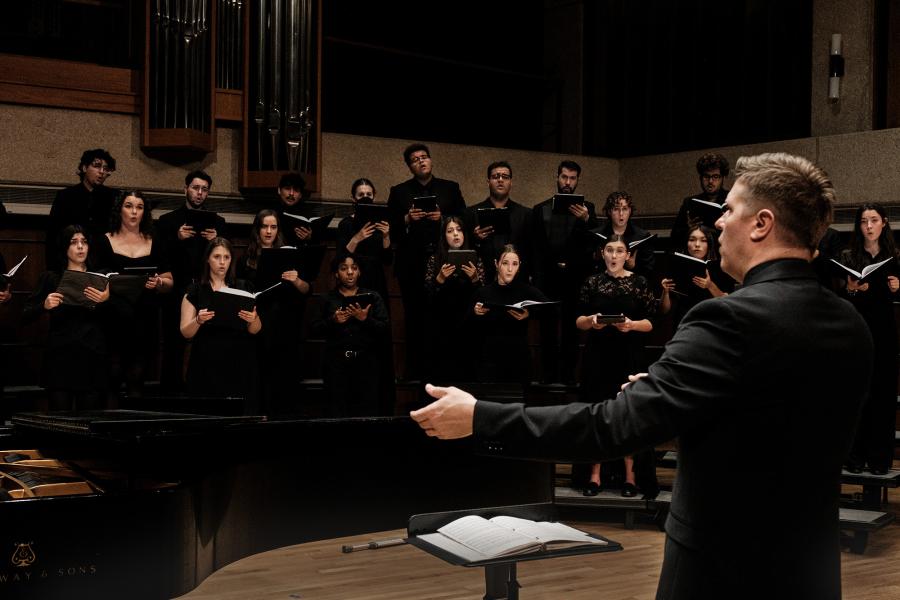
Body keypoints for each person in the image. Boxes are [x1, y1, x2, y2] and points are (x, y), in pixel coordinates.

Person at [410, 152, 873, 600]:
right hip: (809, 569)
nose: (717, 222)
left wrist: (479, 416)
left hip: (723, 570)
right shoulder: (849, 324)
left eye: (729, 209)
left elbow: (608, 427)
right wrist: (670, 394)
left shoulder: (725, 319)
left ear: (761, 224)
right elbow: (770, 420)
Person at [576, 234, 658, 498]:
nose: (613, 255)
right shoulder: (592, 281)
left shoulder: (639, 282)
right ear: (603, 253)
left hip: (629, 355)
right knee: (597, 413)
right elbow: (578, 321)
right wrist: (591, 321)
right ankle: (594, 476)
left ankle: (631, 478)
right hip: (598, 357)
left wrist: (631, 325)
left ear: (628, 255)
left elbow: (650, 323)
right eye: (609, 250)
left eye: (619, 251)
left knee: (627, 415)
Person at [387, 143, 466, 380]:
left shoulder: (450, 188)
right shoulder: (399, 191)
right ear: (409, 166)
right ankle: (415, 371)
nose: (421, 161)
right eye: (414, 159)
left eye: (424, 157)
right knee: (414, 317)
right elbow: (391, 229)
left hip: (444, 260)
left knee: (444, 316)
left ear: (431, 161)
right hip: (411, 264)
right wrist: (407, 218)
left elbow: (464, 221)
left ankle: (445, 371)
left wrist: (443, 218)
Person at [93, 190, 173, 402]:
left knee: (137, 377)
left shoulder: (154, 240)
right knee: (112, 374)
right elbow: (94, 279)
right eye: (129, 206)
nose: (134, 211)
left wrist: (159, 283)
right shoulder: (103, 241)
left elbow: (169, 281)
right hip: (112, 318)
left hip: (143, 317)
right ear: (119, 209)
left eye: (139, 207)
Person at [23, 225, 111, 411]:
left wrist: (105, 300)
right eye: (74, 242)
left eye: (84, 242)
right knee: (60, 420)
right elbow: (26, 314)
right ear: (64, 247)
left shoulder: (102, 277)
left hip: (92, 355)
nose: (80, 247)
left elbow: (118, 318)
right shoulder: (51, 277)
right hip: (60, 357)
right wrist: (44, 305)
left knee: (89, 421)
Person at [839, 204, 899, 475]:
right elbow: (841, 301)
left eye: (874, 220)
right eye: (863, 221)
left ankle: (879, 459)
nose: (869, 226)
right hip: (858, 330)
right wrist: (851, 290)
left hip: (885, 333)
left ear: (884, 223)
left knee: (883, 396)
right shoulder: (850, 257)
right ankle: (855, 457)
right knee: (857, 394)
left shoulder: (894, 256)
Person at [155, 170, 227, 393]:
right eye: (195, 188)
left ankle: (203, 392)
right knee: (173, 345)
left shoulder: (217, 222)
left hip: (207, 290)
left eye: (204, 190)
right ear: (185, 188)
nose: (199, 193)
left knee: (207, 345)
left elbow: (225, 256)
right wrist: (177, 238)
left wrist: (215, 241)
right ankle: (170, 395)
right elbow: (159, 256)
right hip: (176, 290)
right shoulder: (167, 221)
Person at [236, 209, 312, 416]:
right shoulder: (246, 259)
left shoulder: (289, 254)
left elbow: (306, 290)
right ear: (257, 229)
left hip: (284, 323)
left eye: (273, 227)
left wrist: (296, 280)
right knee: (259, 372)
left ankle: (281, 415)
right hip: (258, 322)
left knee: (283, 373)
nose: (269, 231)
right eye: (264, 226)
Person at [531, 160, 597, 384]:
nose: (568, 182)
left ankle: (569, 377)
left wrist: (586, 220)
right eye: (564, 177)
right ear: (557, 177)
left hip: (575, 279)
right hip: (547, 279)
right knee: (547, 331)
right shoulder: (540, 209)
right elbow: (536, 249)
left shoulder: (589, 209)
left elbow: (593, 246)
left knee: (572, 329)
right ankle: (548, 377)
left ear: (577, 180)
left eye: (572, 178)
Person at [180, 238, 261, 411]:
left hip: (238, 358)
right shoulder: (195, 290)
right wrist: (198, 320)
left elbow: (255, 330)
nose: (222, 262)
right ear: (207, 259)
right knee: (207, 411)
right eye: (217, 257)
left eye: (227, 257)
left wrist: (253, 319)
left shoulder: (243, 287)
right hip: (206, 359)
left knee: (238, 412)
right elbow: (186, 332)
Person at [337, 179, 396, 414]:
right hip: (352, 282)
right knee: (353, 337)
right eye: (360, 194)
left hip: (377, 284)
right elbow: (341, 257)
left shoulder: (381, 223)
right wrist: (359, 237)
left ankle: (381, 401)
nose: (365, 197)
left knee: (378, 336)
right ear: (353, 198)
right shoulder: (346, 224)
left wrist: (386, 236)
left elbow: (388, 260)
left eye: (369, 193)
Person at [309, 253, 390, 417]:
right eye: (344, 268)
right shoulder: (327, 299)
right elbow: (313, 329)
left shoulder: (373, 297)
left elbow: (384, 328)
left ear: (359, 272)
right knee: (337, 411)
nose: (350, 272)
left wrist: (365, 319)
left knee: (366, 411)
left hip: (366, 362)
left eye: (354, 268)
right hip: (336, 364)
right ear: (337, 273)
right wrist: (333, 320)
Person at [470, 244, 548, 385]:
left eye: (515, 264)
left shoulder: (527, 291)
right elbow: (467, 325)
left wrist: (529, 314)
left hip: (519, 360)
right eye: (505, 263)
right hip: (489, 361)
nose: (510, 269)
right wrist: (475, 312)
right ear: (496, 264)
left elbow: (549, 308)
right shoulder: (483, 292)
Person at [424, 216, 486, 383]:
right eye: (450, 231)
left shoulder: (475, 258)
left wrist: (474, 279)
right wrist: (440, 279)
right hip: (442, 323)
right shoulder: (434, 259)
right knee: (443, 371)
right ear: (444, 236)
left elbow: (483, 296)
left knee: (467, 371)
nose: (456, 234)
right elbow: (427, 298)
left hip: (467, 323)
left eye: (459, 230)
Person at [47, 148, 117, 270]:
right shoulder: (66, 196)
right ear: (84, 168)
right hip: (70, 262)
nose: (102, 172)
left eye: (105, 169)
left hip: (102, 261)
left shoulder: (113, 197)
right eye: (97, 166)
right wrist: (54, 267)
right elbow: (53, 234)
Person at [467, 161, 534, 283]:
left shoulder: (526, 214)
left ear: (511, 182)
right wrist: (475, 238)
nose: (500, 180)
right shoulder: (471, 213)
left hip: (517, 281)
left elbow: (532, 252)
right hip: (482, 281)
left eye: (505, 177)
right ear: (488, 182)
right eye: (495, 176)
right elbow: (465, 249)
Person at [659, 224, 734, 329]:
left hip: (713, 320)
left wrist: (710, 285)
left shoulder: (720, 267)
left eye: (703, 240)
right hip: (685, 320)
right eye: (692, 240)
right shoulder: (678, 266)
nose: (697, 244)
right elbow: (664, 310)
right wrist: (665, 292)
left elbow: (728, 303)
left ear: (709, 244)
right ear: (687, 243)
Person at [273, 171, 328, 279]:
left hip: (300, 266)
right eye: (287, 188)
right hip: (275, 260)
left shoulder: (309, 215)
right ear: (279, 190)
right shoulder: (271, 212)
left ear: (301, 194)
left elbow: (317, 248)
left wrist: (310, 237)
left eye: (296, 190)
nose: (291, 194)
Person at [669, 152, 730, 251]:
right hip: (698, 255)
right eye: (706, 176)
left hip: (723, 254)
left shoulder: (732, 200)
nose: (710, 181)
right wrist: (688, 229)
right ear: (700, 178)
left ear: (723, 178)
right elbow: (674, 238)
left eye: (715, 177)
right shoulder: (689, 203)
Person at [593, 191, 656, 278]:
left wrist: (633, 267)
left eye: (625, 209)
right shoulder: (597, 234)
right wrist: (597, 258)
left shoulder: (642, 236)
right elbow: (586, 267)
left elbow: (649, 270)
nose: (621, 214)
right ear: (609, 212)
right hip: (602, 282)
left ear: (630, 211)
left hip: (631, 284)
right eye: (616, 209)